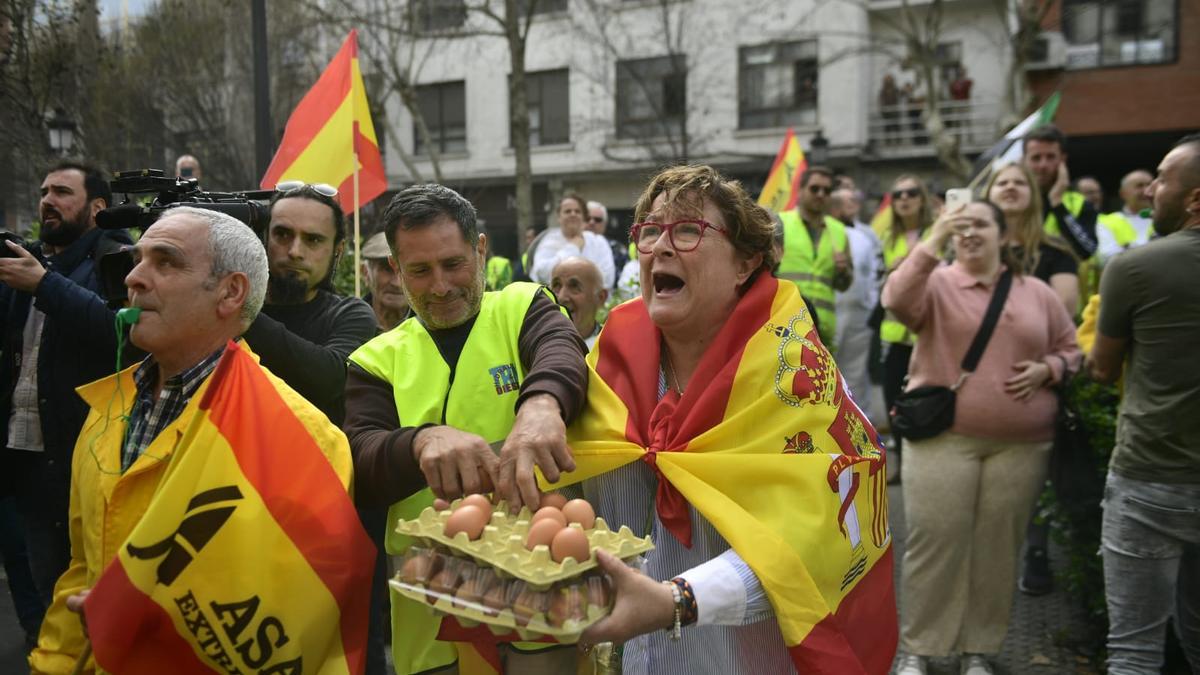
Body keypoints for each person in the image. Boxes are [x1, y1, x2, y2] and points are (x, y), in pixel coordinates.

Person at [561, 164, 896, 674]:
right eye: (650, 231)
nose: (661, 248)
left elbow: (817, 539)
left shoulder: (797, 375)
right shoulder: (609, 359)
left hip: (737, 659)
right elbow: (574, 490)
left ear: (745, 264)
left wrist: (678, 600)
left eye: (689, 230)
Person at [29, 206, 354, 673]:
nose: (134, 279)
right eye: (137, 259)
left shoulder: (306, 439)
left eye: (166, 262)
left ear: (230, 292)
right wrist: (53, 664)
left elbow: (302, 626)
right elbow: (83, 568)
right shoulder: (107, 410)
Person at [343, 184, 588, 674]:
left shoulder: (521, 308)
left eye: (453, 264)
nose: (439, 286)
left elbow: (561, 350)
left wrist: (542, 402)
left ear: (479, 249)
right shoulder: (376, 359)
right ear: (395, 267)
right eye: (419, 270)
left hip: (536, 578)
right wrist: (419, 441)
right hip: (429, 596)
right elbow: (360, 460)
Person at [883, 200, 1080, 675]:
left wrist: (1048, 368)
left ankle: (979, 650)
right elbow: (895, 299)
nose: (969, 233)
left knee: (997, 549)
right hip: (943, 439)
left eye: (980, 225)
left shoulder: (1037, 293)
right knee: (935, 543)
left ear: (1003, 235)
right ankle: (921, 649)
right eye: (961, 225)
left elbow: (1071, 350)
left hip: (1022, 444)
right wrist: (934, 240)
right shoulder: (937, 284)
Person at [0, 160, 133, 632]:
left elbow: (120, 332)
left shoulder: (117, 261)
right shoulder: (34, 263)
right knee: (36, 595)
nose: (47, 201)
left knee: (80, 599)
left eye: (61, 192)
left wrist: (45, 284)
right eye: (43, 191)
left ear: (97, 207)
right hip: (25, 460)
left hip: (82, 465)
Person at [1087, 133, 1200, 674]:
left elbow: (1102, 369)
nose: (1151, 190)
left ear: (1196, 198)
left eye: (1162, 179)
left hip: (1151, 478)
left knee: (1134, 650)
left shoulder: (1135, 268)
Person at [242, 181, 377, 425]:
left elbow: (330, 378)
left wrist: (239, 311)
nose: (295, 251)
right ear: (264, 237)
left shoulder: (349, 314)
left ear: (338, 249)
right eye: (282, 234)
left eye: (313, 240)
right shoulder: (226, 307)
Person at [878, 175, 935, 483]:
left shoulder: (936, 234)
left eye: (911, 193)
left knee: (926, 399)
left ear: (922, 198)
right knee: (893, 403)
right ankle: (901, 464)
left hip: (926, 334)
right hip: (894, 336)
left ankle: (927, 464)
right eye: (897, 194)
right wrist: (893, 270)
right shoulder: (888, 238)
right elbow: (881, 284)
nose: (904, 199)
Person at [986, 163, 1079, 314]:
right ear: (988, 195)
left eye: (1020, 183)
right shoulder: (972, 248)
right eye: (1002, 183)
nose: (1010, 187)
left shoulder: (1057, 250)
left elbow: (1064, 310)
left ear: (1033, 195)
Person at [776, 165, 852, 351]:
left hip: (822, 332)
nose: (820, 194)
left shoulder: (839, 231)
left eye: (827, 191)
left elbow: (844, 284)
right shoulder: (779, 223)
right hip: (784, 325)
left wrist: (843, 271)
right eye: (814, 188)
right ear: (800, 191)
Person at [830, 187, 881, 405]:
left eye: (855, 200)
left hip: (858, 315)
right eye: (847, 201)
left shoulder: (864, 236)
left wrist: (868, 302)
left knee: (856, 373)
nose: (853, 205)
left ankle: (861, 421)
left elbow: (872, 273)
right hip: (830, 312)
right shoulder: (826, 232)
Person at [1023, 124, 1098, 260]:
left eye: (1050, 157)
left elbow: (1087, 250)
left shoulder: (1081, 204)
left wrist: (1058, 203)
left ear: (1062, 160)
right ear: (1024, 161)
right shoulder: (1013, 200)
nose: (1043, 165)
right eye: (1036, 158)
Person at [529, 193, 615, 289]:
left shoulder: (598, 242)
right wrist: (572, 248)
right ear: (559, 217)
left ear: (584, 217)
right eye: (567, 211)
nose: (573, 214)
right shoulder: (549, 241)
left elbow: (607, 279)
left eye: (577, 211)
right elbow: (542, 274)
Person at [1096, 169, 1155, 267]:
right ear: (1123, 194)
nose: (1146, 191)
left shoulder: (1167, 217)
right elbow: (1107, 259)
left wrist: (1128, 247)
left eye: (1150, 185)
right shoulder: (1107, 221)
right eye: (1139, 186)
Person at [550, 256, 608, 349]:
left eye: (574, 286)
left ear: (601, 297)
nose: (561, 297)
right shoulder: (535, 343)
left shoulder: (613, 348)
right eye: (557, 285)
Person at [360, 231, 408, 331]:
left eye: (405, 269)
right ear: (365, 273)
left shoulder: (434, 327)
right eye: (387, 269)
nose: (397, 283)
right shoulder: (347, 326)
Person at [588, 200, 628, 278]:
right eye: (587, 218)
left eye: (597, 220)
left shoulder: (617, 249)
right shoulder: (572, 245)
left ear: (605, 224)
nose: (591, 222)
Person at [880, 74, 901, 143]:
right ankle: (888, 141)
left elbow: (899, 94)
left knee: (896, 126)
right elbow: (881, 99)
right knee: (887, 127)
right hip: (886, 111)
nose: (888, 81)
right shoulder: (883, 90)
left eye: (889, 79)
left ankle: (898, 140)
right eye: (887, 79)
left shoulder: (895, 89)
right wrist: (882, 109)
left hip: (894, 110)